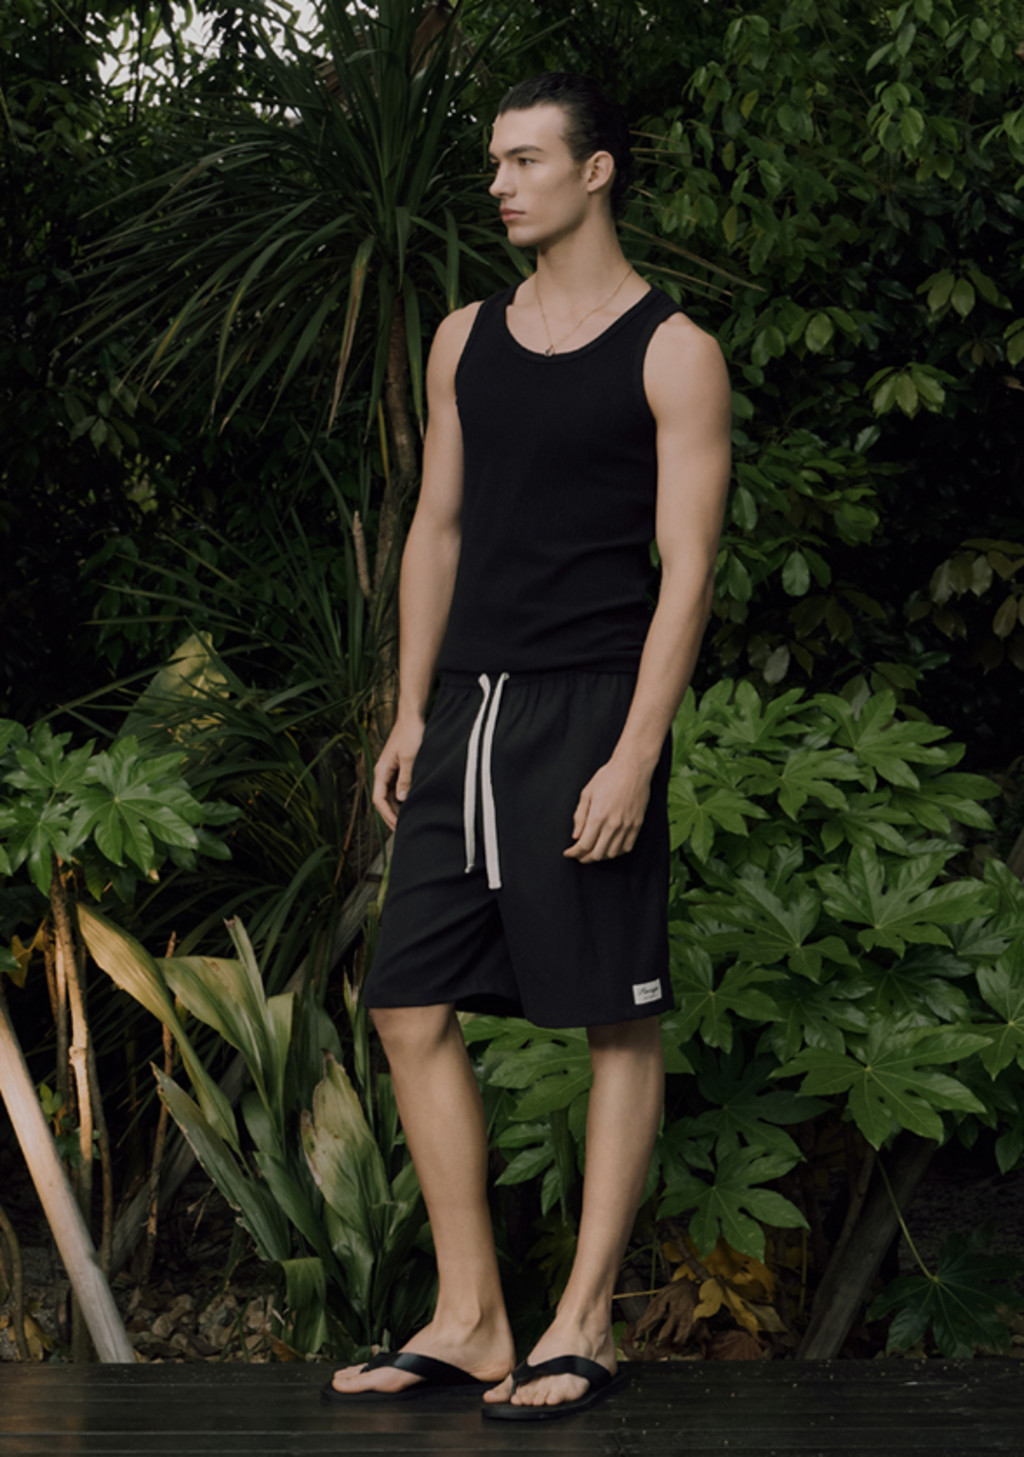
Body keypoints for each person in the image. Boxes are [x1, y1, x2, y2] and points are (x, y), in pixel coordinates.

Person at [324, 71, 731, 1419]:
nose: (499, 184)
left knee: (614, 1018)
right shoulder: (464, 340)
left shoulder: (673, 351)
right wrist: (410, 708)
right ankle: (473, 1317)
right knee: (406, 1005)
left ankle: (585, 1320)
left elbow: (687, 573)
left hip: (589, 708)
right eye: (494, 163)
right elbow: (436, 530)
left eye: (525, 161)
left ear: (595, 171)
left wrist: (635, 753)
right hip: (469, 713)